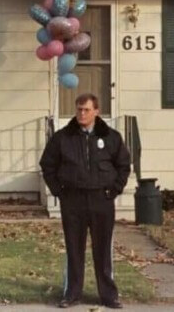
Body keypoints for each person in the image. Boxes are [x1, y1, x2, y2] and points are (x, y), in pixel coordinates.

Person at [40, 93, 131, 309]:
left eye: (86, 110)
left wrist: (114, 190)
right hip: (73, 201)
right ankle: (72, 294)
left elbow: (124, 166)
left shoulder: (111, 137)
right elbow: (47, 165)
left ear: (96, 112)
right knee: (74, 247)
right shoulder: (63, 138)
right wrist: (59, 191)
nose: (82, 113)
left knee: (103, 248)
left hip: (102, 199)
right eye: (79, 109)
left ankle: (108, 295)